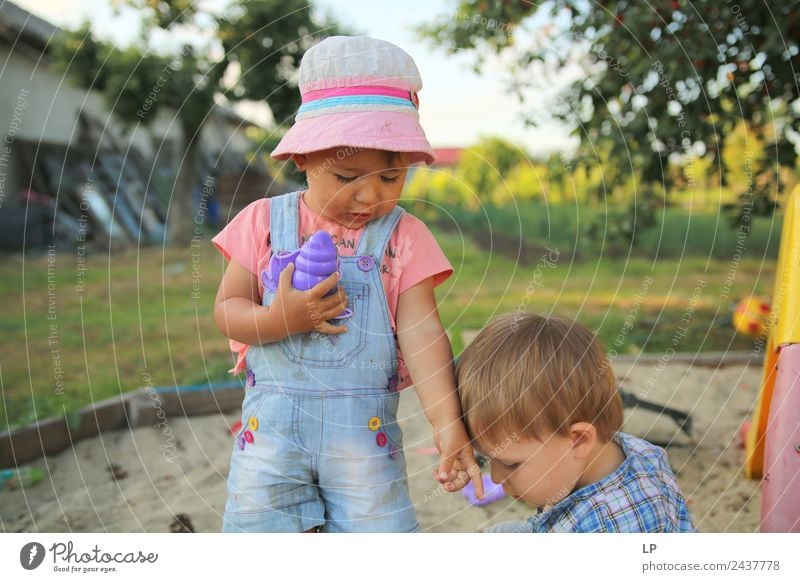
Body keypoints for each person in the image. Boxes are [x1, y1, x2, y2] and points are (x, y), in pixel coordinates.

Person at [212, 36, 481, 533]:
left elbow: (422, 334)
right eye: (346, 174)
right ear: (302, 159)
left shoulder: (402, 238)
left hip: (364, 443)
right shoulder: (263, 223)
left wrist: (448, 426)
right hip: (269, 443)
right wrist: (277, 320)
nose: (370, 195)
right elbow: (228, 307)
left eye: (391, 177)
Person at [455, 313, 696, 532]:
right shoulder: (638, 451)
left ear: (579, 440)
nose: (496, 478)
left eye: (511, 464)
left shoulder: (603, 527)